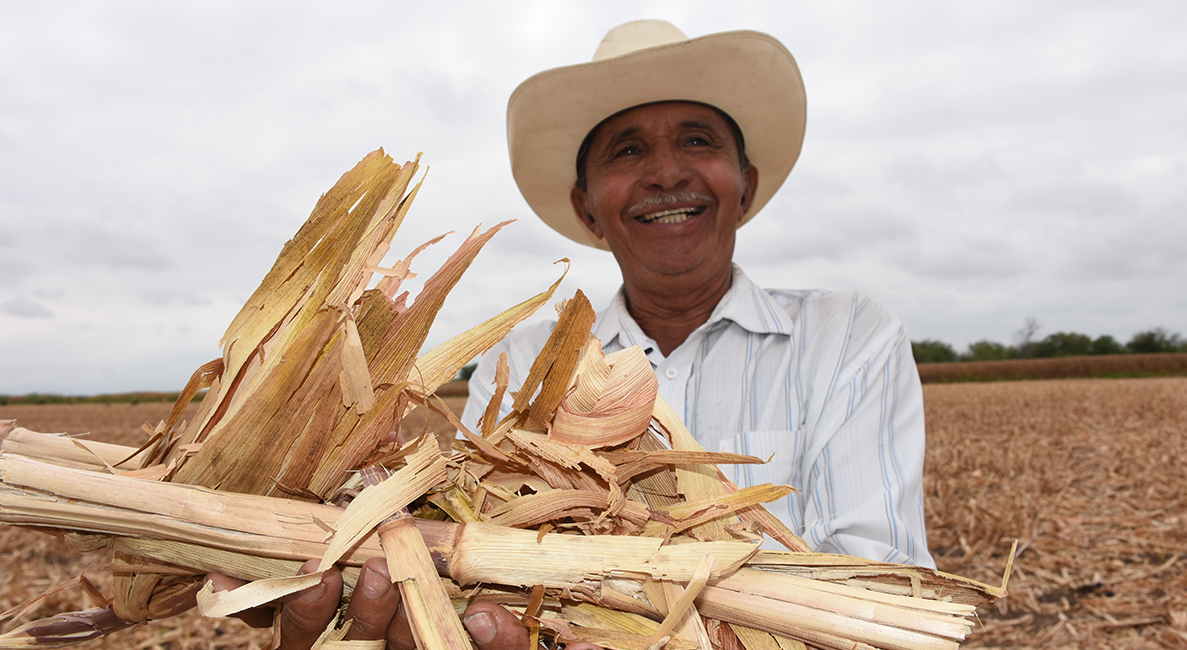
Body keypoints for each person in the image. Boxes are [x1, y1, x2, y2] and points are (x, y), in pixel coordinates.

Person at [243, 19, 934, 650]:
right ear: (586, 207)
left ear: (744, 185)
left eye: (698, 139)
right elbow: (489, 569)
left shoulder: (848, 337)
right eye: (627, 150)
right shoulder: (521, 363)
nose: (666, 172)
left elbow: (884, 599)